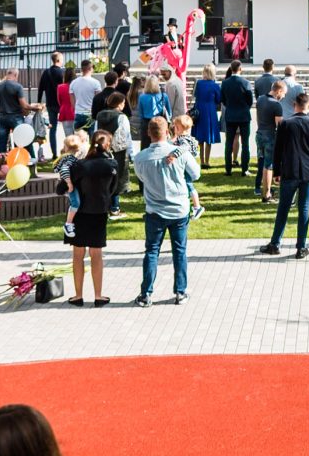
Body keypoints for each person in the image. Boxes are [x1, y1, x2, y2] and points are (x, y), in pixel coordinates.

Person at [131, 115, 199, 305]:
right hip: (178, 209)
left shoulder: (141, 157)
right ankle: (180, 291)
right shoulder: (179, 152)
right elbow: (196, 174)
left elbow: (142, 178)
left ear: (148, 133)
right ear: (168, 131)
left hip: (154, 209)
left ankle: (146, 293)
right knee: (179, 251)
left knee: (152, 251)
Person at [259, 88, 309, 258]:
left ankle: (275, 243)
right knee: (304, 209)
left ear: (295, 105)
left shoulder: (285, 124)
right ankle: (301, 247)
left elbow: (278, 150)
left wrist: (277, 171)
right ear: (308, 106)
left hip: (290, 170)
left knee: (283, 208)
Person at [61, 130, 121, 306]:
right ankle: (98, 295)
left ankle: (78, 295)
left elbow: (65, 186)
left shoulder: (80, 165)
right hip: (99, 211)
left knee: (78, 254)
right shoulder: (112, 165)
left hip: (79, 213)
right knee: (96, 254)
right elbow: (114, 189)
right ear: (108, 145)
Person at [252, 74, 284, 202]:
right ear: (279, 91)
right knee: (269, 166)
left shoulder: (260, 99)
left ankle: (264, 190)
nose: (284, 96)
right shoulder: (276, 105)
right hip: (270, 136)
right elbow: (280, 126)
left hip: (259, 133)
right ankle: (267, 194)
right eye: (284, 93)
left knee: (263, 163)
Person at [218, 61, 253, 173]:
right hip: (243, 115)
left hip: (231, 114)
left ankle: (228, 169)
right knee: (245, 143)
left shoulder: (225, 83)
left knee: (229, 143)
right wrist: (245, 107)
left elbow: (222, 99)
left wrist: (230, 106)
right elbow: (250, 100)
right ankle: (245, 169)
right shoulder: (246, 83)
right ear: (240, 69)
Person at [191, 64, 222, 164]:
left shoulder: (199, 83)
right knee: (209, 136)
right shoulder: (215, 85)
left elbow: (195, 95)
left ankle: (202, 160)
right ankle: (207, 161)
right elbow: (218, 99)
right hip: (210, 110)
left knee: (200, 137)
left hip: (200, 109)